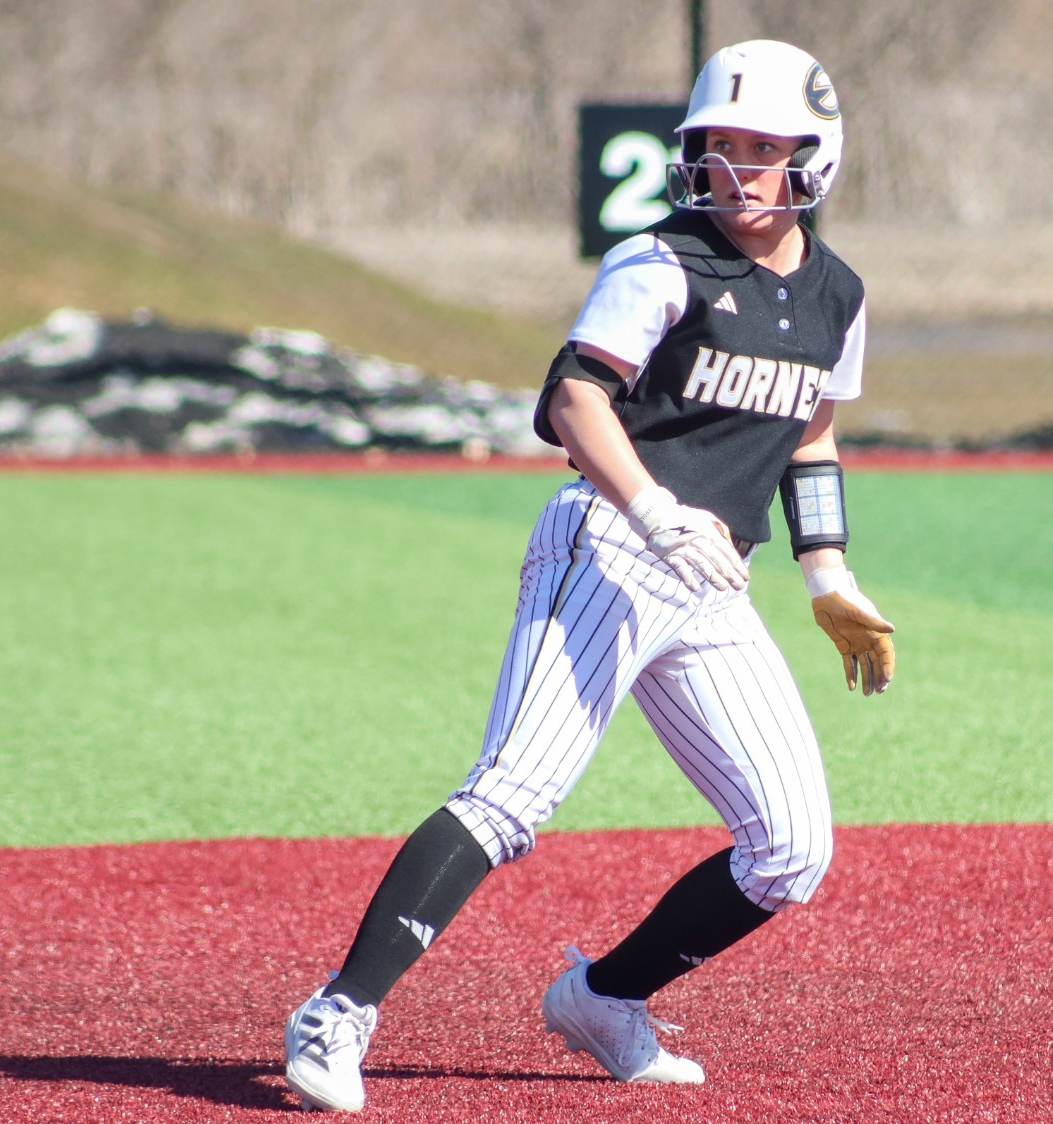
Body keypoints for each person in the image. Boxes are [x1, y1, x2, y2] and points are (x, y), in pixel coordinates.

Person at [281, 38, 896, 1113]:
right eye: (719, 147)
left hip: (712, 577)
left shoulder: (837, 291)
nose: (738, 169)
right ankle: (337, 1011)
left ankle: (600, 997)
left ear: (815, 157)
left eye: (763, 148)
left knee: (790, 847)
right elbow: (574, 398)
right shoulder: (661, 260)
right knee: (512, 796)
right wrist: (651, 509)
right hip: (610, 541)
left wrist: (826, 571)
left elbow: (811, 434)